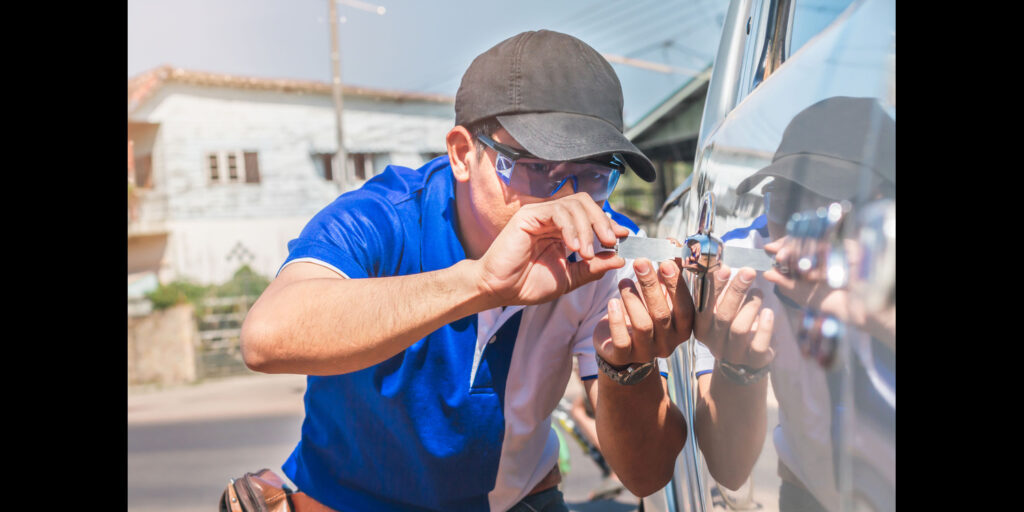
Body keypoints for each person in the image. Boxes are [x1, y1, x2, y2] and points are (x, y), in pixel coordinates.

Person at [241, 30, 705, 512]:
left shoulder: (605, 256)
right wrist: (479, 283)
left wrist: (626, 368)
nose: (567, 198)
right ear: (463, 154)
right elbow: (266, 337)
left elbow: (646, 475)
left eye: (593, 173)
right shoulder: (384, 218)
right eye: (537, 167)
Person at [692, 96, 896, 512]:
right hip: (808, 493)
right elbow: (728, 470)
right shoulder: (740, 264)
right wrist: (737, 367)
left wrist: (879, 314)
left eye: (830, 208)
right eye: (786, 203)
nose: (802, 232)